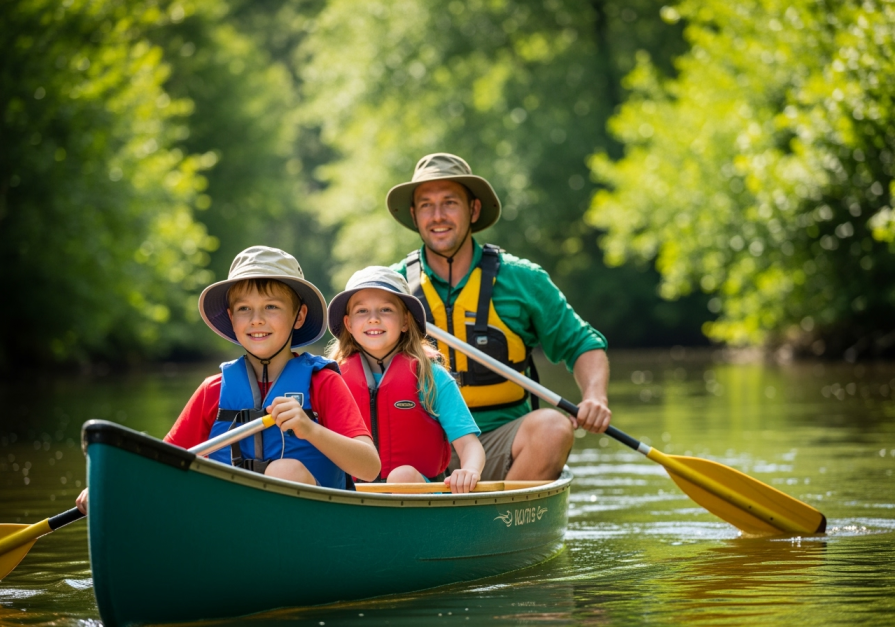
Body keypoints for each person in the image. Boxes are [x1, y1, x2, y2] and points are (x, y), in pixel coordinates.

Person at [77, 246, 379, 513]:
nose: (256, 319)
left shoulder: (322, 383)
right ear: (231, 318)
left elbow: (369, 466)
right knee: (195, 478)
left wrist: (310, 429)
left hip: (317, 525)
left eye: (271, 307)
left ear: (298, 317)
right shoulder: (214, 390)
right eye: (244, 309)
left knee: (286, 471)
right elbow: (161, 464)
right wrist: (111, 487)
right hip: (232, 521)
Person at [387, 153, 612, 482]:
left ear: (473, 209)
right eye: (426, 205)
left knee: (553, 427)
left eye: (450, 202)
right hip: (417, 449)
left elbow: (582, 343)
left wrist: (595, 396)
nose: (438, 216)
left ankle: (496, 519)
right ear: (414, 214)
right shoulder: (390, 290)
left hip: (499, 444)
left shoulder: (522, 279)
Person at [326, 266, 485, 493]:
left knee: (402, 475)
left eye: (386, 310)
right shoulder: (332, 379)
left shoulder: (431, 376)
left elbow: (470, 444)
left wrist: (470, 470)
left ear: (405, 322)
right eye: (362, 311)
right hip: (353, 495)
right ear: (349, 324)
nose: (373, 319)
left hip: (416, 492)